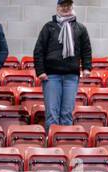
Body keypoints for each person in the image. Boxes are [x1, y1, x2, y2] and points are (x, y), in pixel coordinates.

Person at [34, 0, 92, 130]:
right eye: (63, 6)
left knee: (67, 113)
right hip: (51, 76)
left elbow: (86, 49)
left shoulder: (80, 28)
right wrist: (40, 71)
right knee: (52, 114)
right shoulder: (48, 27)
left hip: (71, 76)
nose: (65, 8)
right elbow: (39, 50)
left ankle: (65, 144)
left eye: (68, 6)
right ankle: (52, 145)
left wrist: (87, 67)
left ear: (72, 7)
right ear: (57, 8)